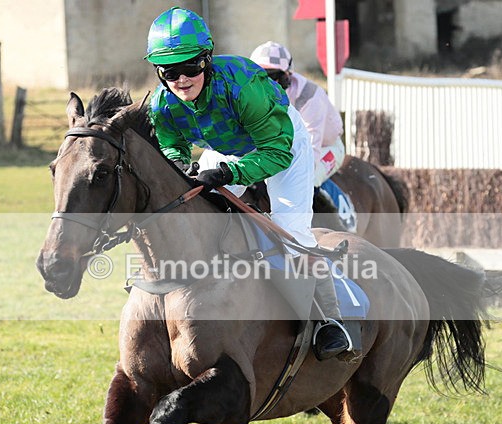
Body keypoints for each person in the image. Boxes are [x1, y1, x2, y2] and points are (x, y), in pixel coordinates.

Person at [145, 6, 351, 360]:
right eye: (170, 71)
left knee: (291, 230)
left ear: (206, 60)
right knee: (196, 209)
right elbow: (172, 147)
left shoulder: (242, 87)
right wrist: (181, 167)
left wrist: (229, 174)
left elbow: (275, 154)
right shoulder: (163, 105)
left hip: (283, 142)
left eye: (190, 67)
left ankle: (330, 321)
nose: (181, 79)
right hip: (226, 148)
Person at [250, 41, 345, 189]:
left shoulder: (309, 96)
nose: (264, 83)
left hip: (326, 147)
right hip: (285, 147)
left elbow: (311, 150)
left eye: (271, 75)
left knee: (303, 182)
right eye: (259, 75)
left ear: (286, 75)